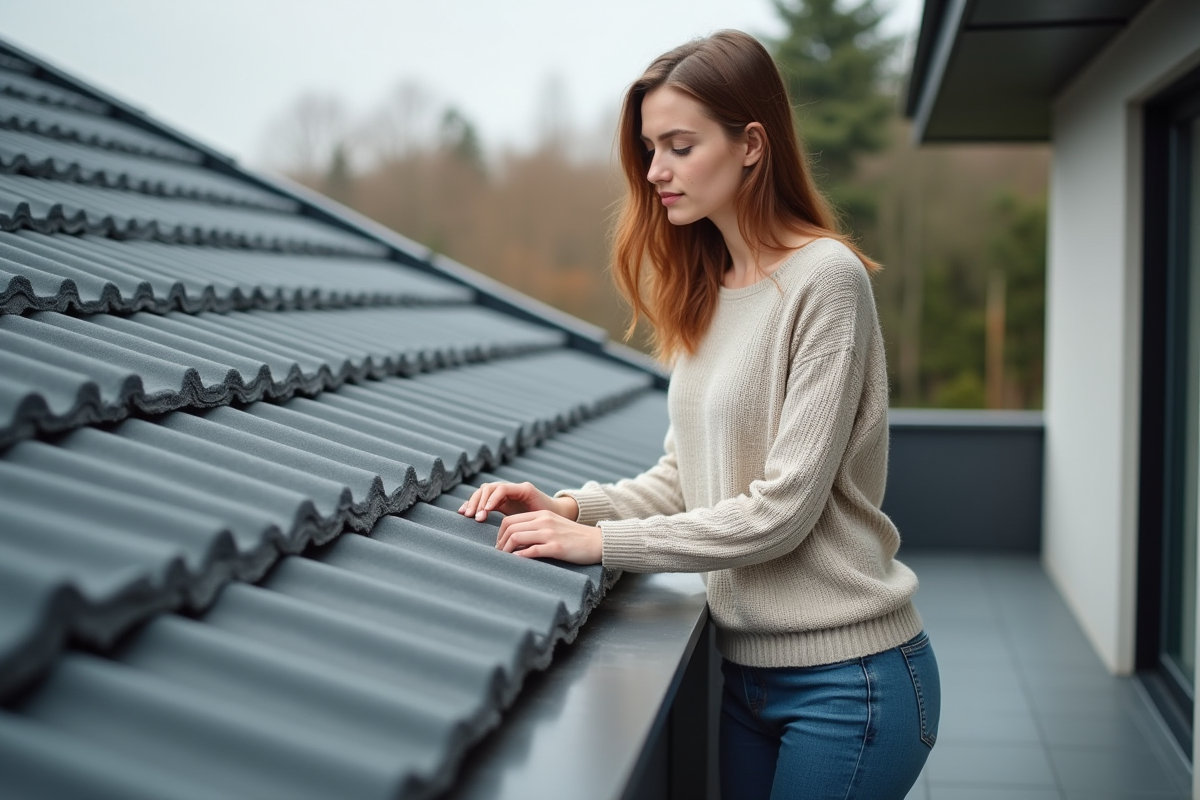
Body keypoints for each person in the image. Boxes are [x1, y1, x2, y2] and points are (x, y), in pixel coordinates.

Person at [458, 29, 939, 800]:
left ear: (752, 145)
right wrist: (572, 506)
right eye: (650, 150)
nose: (654, 173)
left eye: (679, 146)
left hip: (850, 685)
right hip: (747, 678)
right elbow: (687, 479)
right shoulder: (708, 289)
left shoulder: (827, 281)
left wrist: (600, 542)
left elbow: (781, 512)